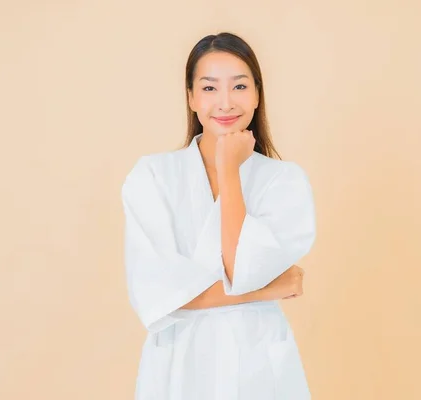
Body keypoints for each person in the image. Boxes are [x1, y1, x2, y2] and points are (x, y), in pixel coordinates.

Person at [121, 32, 316, 400]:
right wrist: (272, 287)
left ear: (257, 94)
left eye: (239, 86)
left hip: (258, 361)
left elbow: (242, 269)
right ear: (191, 97)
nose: (225, 102)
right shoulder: (152, 176)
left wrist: (229, 170)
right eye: (209, 89)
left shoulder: (285, 180)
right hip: (178, 366)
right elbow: (156, 294)